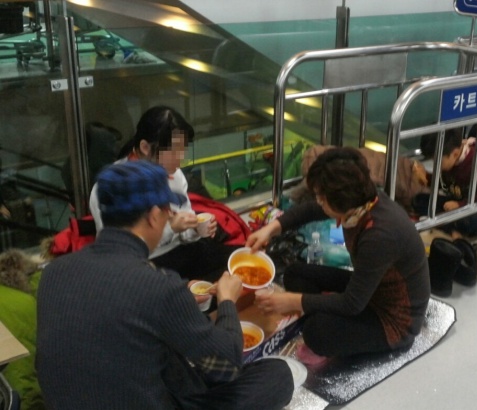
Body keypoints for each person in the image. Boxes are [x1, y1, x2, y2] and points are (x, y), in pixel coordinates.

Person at [36, 160, 294, 410]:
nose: (171, 215)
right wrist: (227, 300)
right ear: (153, 216)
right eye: (168, 210)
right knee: (277, 375)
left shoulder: (53, 273)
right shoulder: (159, 286)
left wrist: (181, 300)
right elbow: (226, 366)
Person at [247, 147, 430, 362]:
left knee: (316, 332)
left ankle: (329, 321)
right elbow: (310, 210)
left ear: (340, 200)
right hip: (372, 290)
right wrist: (271, 229)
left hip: (395, 320)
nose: (319, 202)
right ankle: (328, 315)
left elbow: (352, 304)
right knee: (295, 273)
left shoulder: (379, 235)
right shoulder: (360, 201)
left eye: (321, 198)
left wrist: (292, 301)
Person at [89, 106, 239, 283]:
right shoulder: (111, 186)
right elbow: (118, 252)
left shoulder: (175, 174)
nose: (180, 158)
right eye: (173, 151)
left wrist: (194, 229)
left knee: (235, 265)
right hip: (141, 263)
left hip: (180, 252)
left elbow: (184, 232)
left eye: (183, 149)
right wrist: (171, 228)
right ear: (145, 147)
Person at [414, 128, 477, 238]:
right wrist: (425, 177)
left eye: (436, 161)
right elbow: (443, 184)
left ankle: (446, 226)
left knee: (465, 221)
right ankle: (446, 225)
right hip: (458, 202)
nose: (435, 165)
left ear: (455, 154)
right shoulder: (450, 161)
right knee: (419, 199)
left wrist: (461, 205)